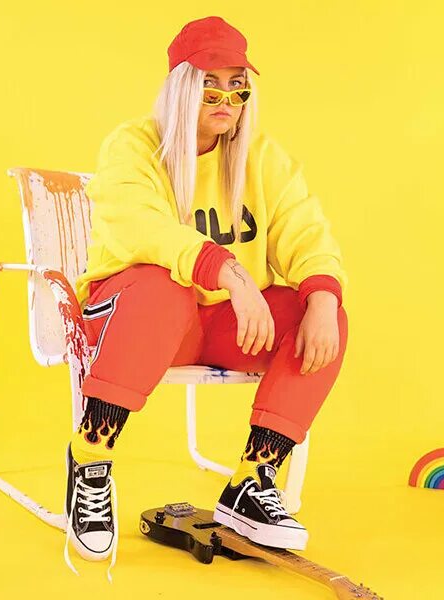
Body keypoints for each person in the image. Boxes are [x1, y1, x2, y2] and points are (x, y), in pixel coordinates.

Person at [61, 16, 349, 580]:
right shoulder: (132, 146)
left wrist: (320, 296)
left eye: (237, 87)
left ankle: (252, 479)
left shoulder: (261, 158)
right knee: (163, 288)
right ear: (181, 88)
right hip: (130, 320)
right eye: (210, 86)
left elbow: (306, 231)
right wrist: (232, 274)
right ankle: (90, 459)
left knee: (324, 313)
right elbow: (143, 229)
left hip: (218, 325)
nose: (227, 100)